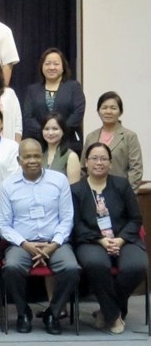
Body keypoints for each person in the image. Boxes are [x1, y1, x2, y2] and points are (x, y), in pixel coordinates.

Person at [0, 139, 78, 335]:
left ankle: (53, 312)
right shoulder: (8, 185)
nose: (32, 160)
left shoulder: (59, 180)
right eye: (27, 157)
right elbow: (4, 225)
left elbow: (67, 218)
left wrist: (55, 243)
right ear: (19, 160)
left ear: (42, 157)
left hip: (55, 243)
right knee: (11, 268)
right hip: (22, 244)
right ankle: (23, 312)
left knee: (71, 269)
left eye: (36, 156)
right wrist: (25, 244)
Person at [72, 142, 147, 334]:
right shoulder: (76, 190)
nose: (99, 162)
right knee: (97, 265)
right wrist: (101, 240)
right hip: (91, 241)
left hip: (124, 239)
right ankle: (114, 315)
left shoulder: (121, 185)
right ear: (86, 163)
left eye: (104, 158)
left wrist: (120, 240)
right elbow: (77, 224)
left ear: (110, 163)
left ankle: (106, 310)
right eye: (94, 158)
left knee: (137, 266)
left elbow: (135, 218)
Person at [22, 48, 85, 154]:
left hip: (69, 142)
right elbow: (28, 116)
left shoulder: (73, 87)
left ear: (63, 67)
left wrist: (59, 131)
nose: (51, 67)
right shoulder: (32, 90)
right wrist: (46, 132)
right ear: (42, 67)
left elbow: (78, 113)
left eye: (56, 64)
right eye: (47, 64)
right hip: (40, 144)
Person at [82, 91, 143, 192]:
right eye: (104, 108)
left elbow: (136, 170)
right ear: (98, 111)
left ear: (120, 111)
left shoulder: (129, 136)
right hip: (93, 193)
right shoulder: (91, 137)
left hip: (121, 193)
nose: (108, 111)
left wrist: (126, 194)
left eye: (113, 108)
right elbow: (83, 167)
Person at [40, 113, 81, 183]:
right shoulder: (39, 154)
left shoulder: (71, 156)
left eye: (55, 129)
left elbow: (74, 188)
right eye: (46, 129)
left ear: (63, 131)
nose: (50, 133)